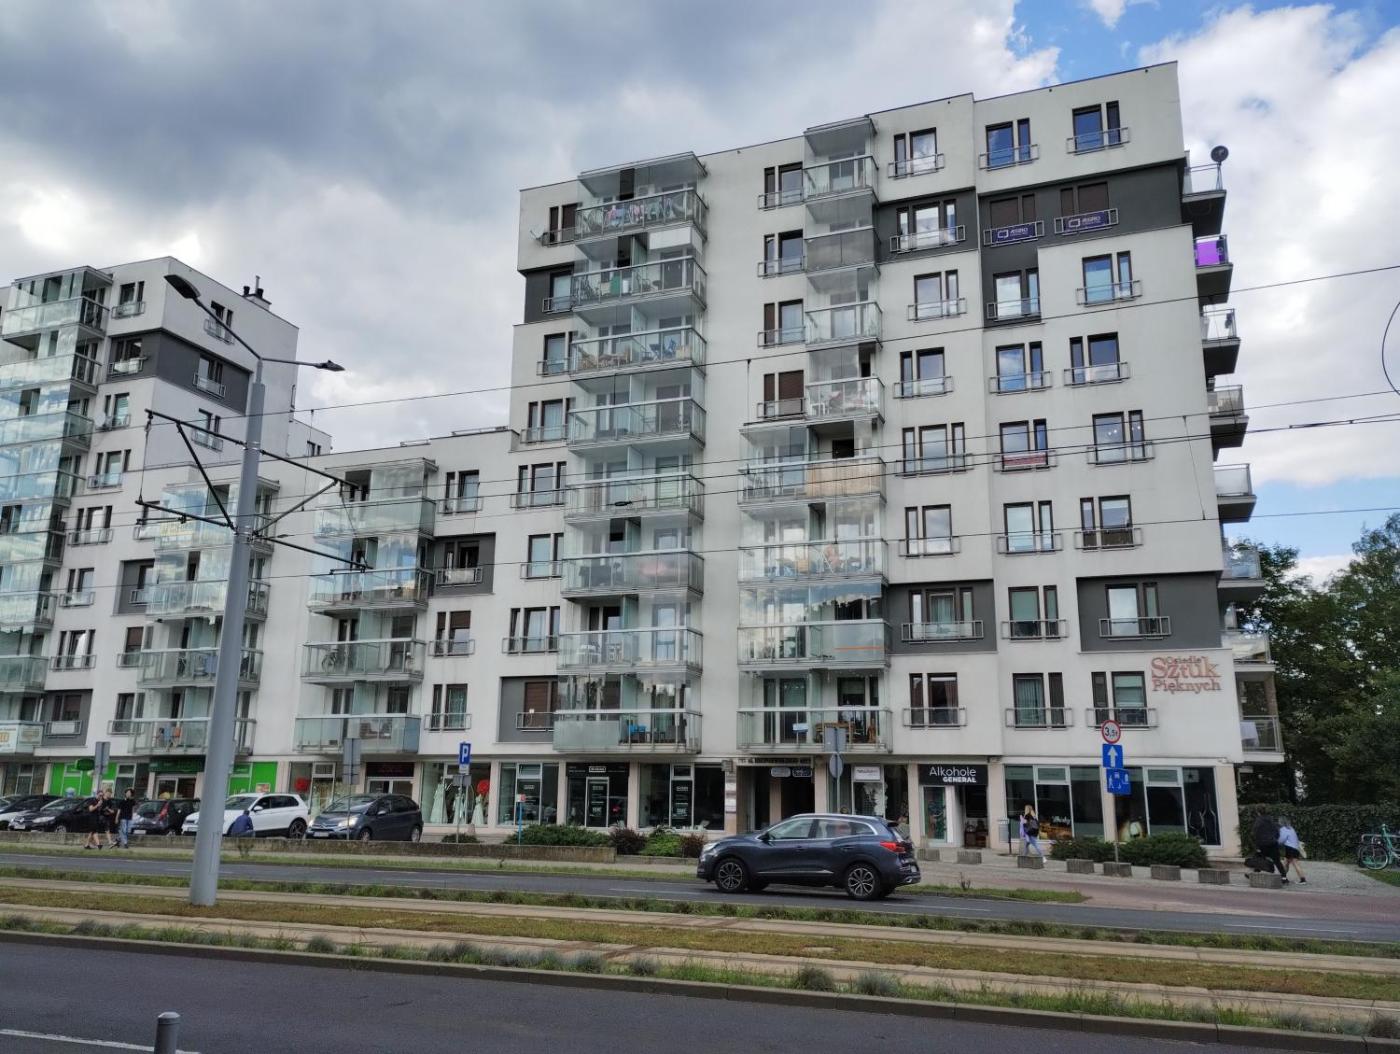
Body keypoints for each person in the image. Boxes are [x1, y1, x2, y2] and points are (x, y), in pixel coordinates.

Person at [1251, 811, 1286, 882]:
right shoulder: (1272, 821)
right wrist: (1275, 839)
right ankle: (1284, 877)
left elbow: (1254, 834)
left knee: (1259, 858)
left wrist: (1257, 844)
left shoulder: (1258, 821)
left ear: (1258, 813)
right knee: (1277, 861)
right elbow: (1277, 832)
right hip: (1273, 844)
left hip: (1262, 844)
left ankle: (1255, 874)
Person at [1278, 818, 1307, 884]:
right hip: (1295, 847)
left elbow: (1281, 839)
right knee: (1286, 863)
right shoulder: (1291, 828)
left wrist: (1276, 842)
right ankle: (1283, 877)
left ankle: (1303, 879)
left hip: (1290, 848)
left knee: (1294, 863)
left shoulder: (1283, 829)